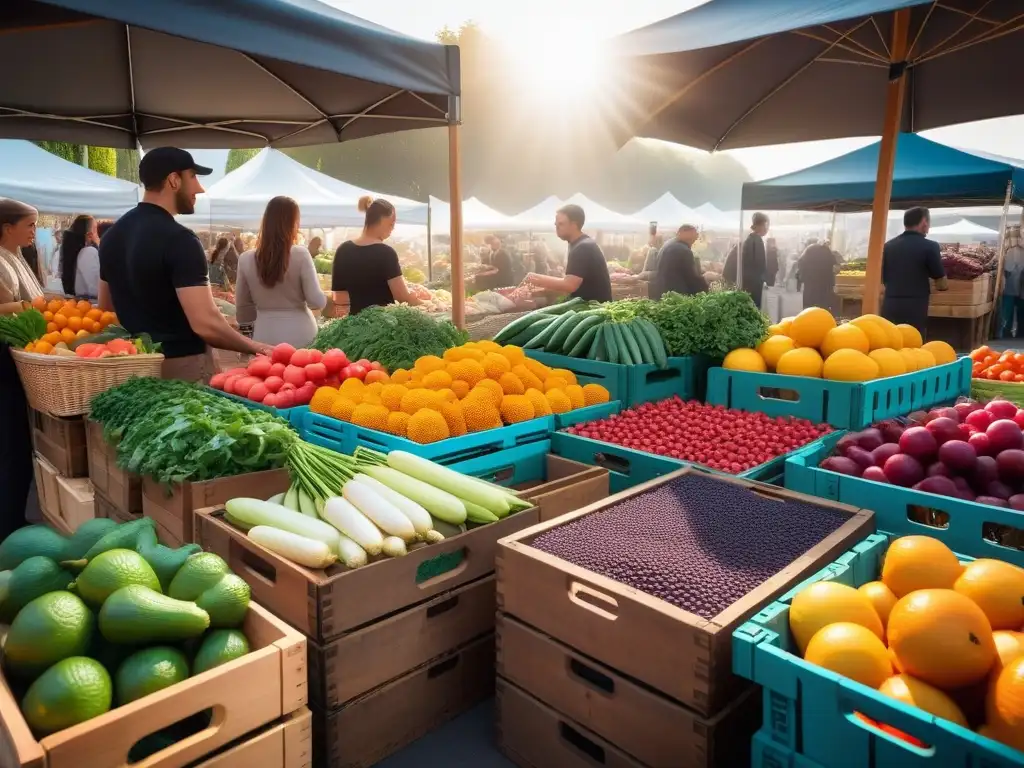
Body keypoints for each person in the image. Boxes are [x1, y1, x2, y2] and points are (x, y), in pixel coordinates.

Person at [98, 147, 272, 382]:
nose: (200, 188)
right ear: (173, 180)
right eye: (193, 177)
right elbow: (205, 324)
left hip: (133, 367)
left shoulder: (110, 236)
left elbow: (106, 305)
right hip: (180, 367)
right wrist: (256, 347)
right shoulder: (181, 240)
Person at [0, 199, 45, 539]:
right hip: (4, 360)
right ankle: (9, 523)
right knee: (11, 441)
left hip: (16, 354)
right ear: (6, 227)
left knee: (17, 439)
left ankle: (13, 518)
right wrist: (36, 306)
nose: (34, 231)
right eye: (29, 225)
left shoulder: (15, 257)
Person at [234, 197, 325, 348]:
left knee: (268, 372)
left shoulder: (245, 259)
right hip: (302, 334)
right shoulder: (301, 254)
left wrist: (248, 337)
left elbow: (243, 309)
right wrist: (326, 297)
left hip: (264, 335)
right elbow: (316, 301)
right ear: (293, 223)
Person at [331, 196, 421, 315]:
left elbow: (339, 298)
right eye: (391, 224)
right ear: (383, 221)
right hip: (384, 326)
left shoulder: (343, 250)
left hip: (353, 324)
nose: (393, 229)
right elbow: (402, 298)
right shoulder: (386, 253)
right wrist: (418, 300)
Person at [524, 204, 612, 302]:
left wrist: (535, 278)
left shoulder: (583, 247)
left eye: (561, 224)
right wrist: (535, 293)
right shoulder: (579, 244)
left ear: (574, 225)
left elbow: (570, 285)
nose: (557, 228)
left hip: (595, 310)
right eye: (556, 224)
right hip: (587, 306)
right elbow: (569, 288)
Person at [881, 206, 947, 336]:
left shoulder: (889, 246)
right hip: (915, 307)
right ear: (924, 222)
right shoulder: (930, 246)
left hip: (890, 303)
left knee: (890, 342)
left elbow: (884, 278)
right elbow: (941, 283)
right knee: (913, 344)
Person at [724, 212, 769, 309]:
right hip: (752, 285)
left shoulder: (749, 238)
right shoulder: (756, 240)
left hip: (745, 283)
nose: (767, 228)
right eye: (767, 225)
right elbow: (758, 265)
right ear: (762, 225)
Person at [651, 224, 707, 299]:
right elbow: (691, 278)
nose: (696, 237)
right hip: (676, 294)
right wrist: (704, 288)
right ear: (684, 232)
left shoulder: (670, 244)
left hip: (662, 292)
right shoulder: (683, 250)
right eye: (694, 233)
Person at [60, 215, 98, 298]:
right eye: (95, 229)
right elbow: (96, 289)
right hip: (90, 306)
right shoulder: (89, 252)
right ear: (89, 235)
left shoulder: (80, 252)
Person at [796, 239, 840, 312]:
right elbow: (835, 266)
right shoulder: (827, 250)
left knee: (809, 303)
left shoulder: (808, 250)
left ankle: (808, 316)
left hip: (811, 281)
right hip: (825, 282)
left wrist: (802, 278)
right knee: (823, 303)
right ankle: (823, 317)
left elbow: (801, 262)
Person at [1001, 226, 1024, 338]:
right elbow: (1009, 269)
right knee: (1012, 312)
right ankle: (1013, 332)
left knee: (1010, 312)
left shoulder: (1011, 250)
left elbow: (1008, 269)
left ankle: (1007, 332)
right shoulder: (1013, 250)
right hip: (1012, 287)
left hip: (1012, 287)